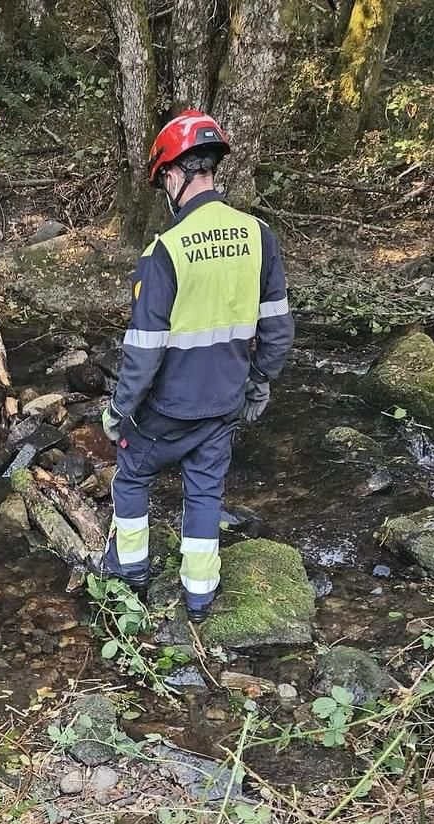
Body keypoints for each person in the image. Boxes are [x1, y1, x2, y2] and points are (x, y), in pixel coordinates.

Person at [101, 110, 295, 621]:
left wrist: (119, 411)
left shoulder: (165, 250)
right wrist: (258, 383)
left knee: (132, 473)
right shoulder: (258, 235)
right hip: (225, 401)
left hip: (168, 407)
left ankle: (131, 573)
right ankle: (200, 596)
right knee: (205, 491)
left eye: (162, 177)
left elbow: (143, 349)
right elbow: (277, 329)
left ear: (173, 174)